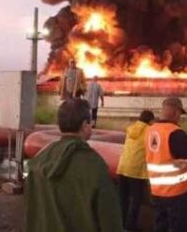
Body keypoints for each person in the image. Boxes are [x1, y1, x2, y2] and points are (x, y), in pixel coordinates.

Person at [24, 98, 123, 232]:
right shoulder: (94, 164)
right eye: (91, 122)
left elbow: (31, 213)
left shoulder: (38, 160)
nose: (92, 125)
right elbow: (110, 221)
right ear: (84, 125)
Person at [145, 97, 187, 232]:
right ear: (176, 113)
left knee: (160, 226)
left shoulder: (150, 130)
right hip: (176, 194)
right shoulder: (175, 133)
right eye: (180, 114)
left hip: (156, 191)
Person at [117, 110, 155, 231]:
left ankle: (120, 224)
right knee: (136, 199)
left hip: (123, 167)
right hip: (136, 170)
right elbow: (153, 150)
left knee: (123, 198)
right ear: (150, 120)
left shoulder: (131, 128)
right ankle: (131, 226)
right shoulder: (150, 131)